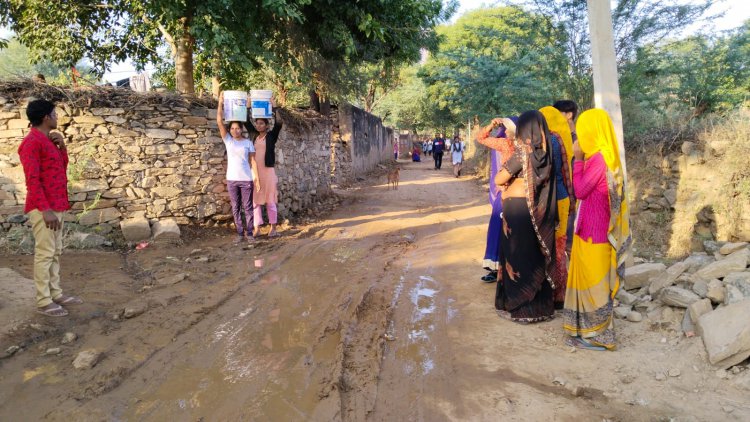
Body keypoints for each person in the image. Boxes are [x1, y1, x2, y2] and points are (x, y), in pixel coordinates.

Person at [562, 109, 631, 351]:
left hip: (595, 233)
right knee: (589, 282)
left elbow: (579, 191)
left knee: (595, 286)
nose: (579, 135)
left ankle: (602, 335)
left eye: (582, 130)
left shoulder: (600, 159)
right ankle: (586, 329)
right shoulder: (602, 157)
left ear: (591, 131)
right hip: (588, 230)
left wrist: (577, 160)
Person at [18, 99, 82, 317]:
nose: (57, 117)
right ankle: (43, 300)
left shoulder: (48, 140)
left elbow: (61, 168)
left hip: (56, 204)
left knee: (55, 252)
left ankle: (55, 293)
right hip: (44, 208)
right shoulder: (31, 143)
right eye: (54, 113)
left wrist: (62, 146)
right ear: (46, 117)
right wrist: (45, 210)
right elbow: (32, 180)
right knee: (45, 253)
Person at [493, 110, 557, 323]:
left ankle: (519, 306)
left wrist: (503, 181)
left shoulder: (523, 153)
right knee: (533, 256)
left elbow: (500, 179)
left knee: (516, 256)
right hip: (536, 213)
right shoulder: (547, 154)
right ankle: (540, 308)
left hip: (518, 210)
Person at [540, 106, 574, 308]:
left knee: (554, 247)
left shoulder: (549, 141)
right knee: (560, 245)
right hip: (563, 197)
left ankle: (556, 293)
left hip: (552, 199)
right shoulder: (563, 140)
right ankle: (561, 292)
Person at [477, 116, 517, 283]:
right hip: (517, 193)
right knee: (502, 229)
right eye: (504, 128)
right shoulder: (519, 144)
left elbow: (481, 138)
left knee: (503, 229)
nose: (505, 131)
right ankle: (499, 269)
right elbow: (480, 138)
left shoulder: (510, 145)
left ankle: (503, 270)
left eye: (507, 128)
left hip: (510, 192)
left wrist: (491, 125)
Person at [217, 92, 257, 243]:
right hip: (232, 179)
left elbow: (253, 162)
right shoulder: (228, 140)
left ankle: (250, 233)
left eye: (237, 128)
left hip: (246, 179)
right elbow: (220, 122)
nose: (235, 130)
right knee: (235, 208)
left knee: (248, 208)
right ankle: (240, 233)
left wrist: (256, 178)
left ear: (241, 129)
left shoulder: (248, 143)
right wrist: (220, 103)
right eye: (232, 128)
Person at [248, 97, 283, 238]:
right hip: (256, 172)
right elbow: (245, 122)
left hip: (268, 172)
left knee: (270, 201)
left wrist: (275, 108)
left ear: (266, 125)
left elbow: (279, 123)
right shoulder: (254, 135)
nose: (258, 126)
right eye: (257, 123)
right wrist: (249, 107)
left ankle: (273, 228)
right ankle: (257, 228)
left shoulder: (271, 136)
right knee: (255, 202)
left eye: (261, 123)